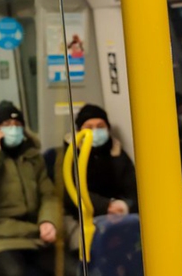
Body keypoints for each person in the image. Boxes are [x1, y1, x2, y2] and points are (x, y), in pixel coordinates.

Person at [0, 101, 67, 276]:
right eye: (7, 124)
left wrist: (48, 221)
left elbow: (49, 195)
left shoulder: (33, 158)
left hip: (34, 234)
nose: (13, 129)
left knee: (75, 270)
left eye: (18, 125)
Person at [61, 104, 138, 252]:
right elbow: (69, 192)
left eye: (100, 126)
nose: (95, 131)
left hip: (117, 212)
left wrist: (124, 205)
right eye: (89, 127)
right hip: (79, 215)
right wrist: (106, 205)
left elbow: (133, 187)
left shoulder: (117, 152)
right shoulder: (69, 155)